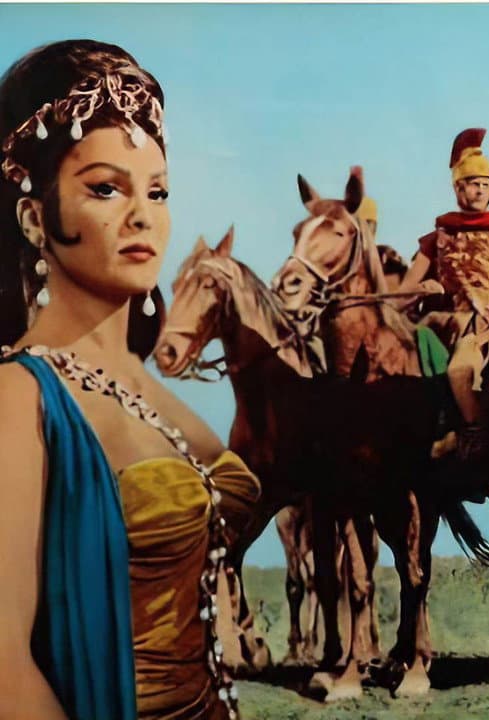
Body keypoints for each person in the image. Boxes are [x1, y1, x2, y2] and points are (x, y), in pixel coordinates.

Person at [0, 40, 259, 719]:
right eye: (105, 189)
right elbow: (3, 673)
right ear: (35, 217)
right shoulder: (19, 399)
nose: (143, 214)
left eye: (158, 191)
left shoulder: (152, 390)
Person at [401, 128, 489, 459]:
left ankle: (474, 436)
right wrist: (423, 287)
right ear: (457, 187)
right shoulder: (440, 235)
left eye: (485, 184)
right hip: (444, 323)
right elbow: (404, 289)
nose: (479, 189)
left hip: (486, 324)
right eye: (472, 183)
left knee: (460, 370)